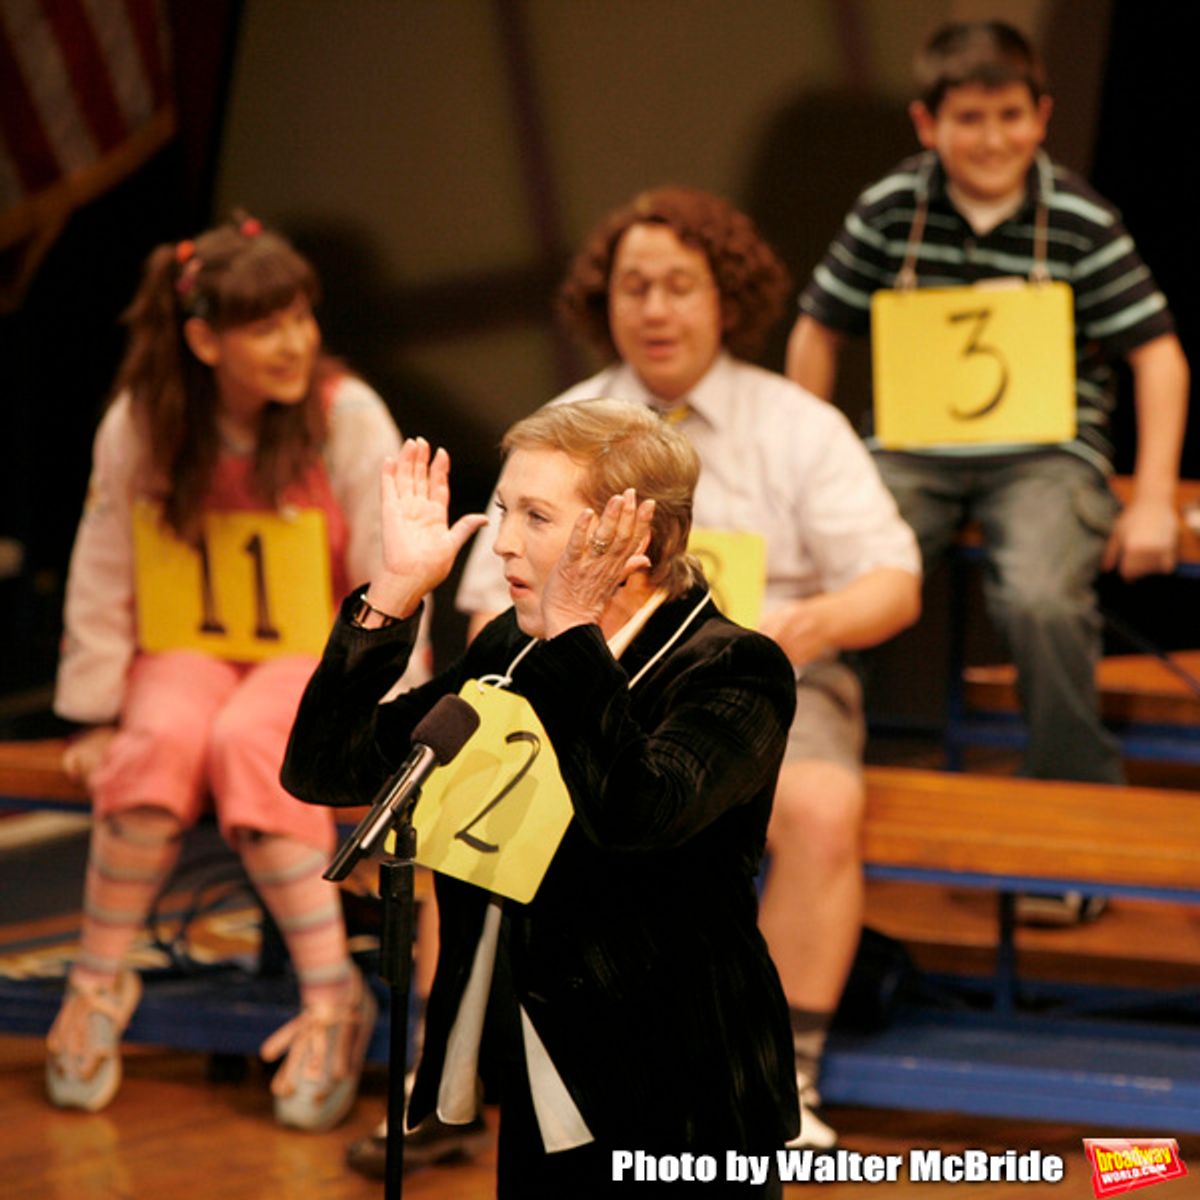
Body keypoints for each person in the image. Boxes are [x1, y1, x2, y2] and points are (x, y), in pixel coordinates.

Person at [453, 187, 922, 1150]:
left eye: (680, 286)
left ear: (726, 298)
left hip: (761, 677)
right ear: (604, 302)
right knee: (458, 800)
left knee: (820, 805)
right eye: (634, 288)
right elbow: (483, 602)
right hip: (585, 670)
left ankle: (788, 1064)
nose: (656, 309)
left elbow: (895, 580)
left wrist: (806, 625)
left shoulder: (796, 422)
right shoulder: (562, 425)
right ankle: (459, 1063)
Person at [282, 404, 801, 1196]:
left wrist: (571, 634)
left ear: (633, 541)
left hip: (681, 1084)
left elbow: (637, 815)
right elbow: (324, 769)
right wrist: (392, 596)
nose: (502, 542)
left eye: (537, 516)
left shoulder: (734, 669)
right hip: (542, 1059)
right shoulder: (511, 647)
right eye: (503, 510)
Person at [787, 20, 1190, 921]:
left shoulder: (1079, 217)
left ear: (1041, 115)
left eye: (1010, 115)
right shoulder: (891, 206)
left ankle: (1076, 830)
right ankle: (795, 789)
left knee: (1042, 598)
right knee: (832, 579)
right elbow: (817, 328)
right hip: (911, 449)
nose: (992, 137)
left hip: (1048, 456)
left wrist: (1156, 496)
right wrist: (807, 467)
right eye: (969, 118)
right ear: (928, 123)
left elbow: (1159, 355)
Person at [47, 215, 430, 1129]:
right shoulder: (144, 419)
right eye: (265, 327)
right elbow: (104, 559)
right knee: (158, 739)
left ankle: (331, 999)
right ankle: (95, 983)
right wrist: (94, 712)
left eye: (300, 317)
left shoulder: (345, 413)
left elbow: (392, 565)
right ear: (204, 340)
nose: (294, 342)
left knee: (256, 739)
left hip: (312, 659)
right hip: (185, 650)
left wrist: (387, 708)